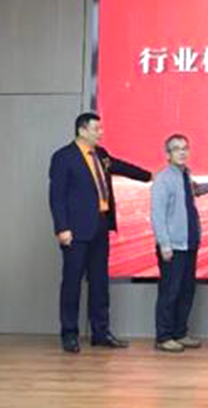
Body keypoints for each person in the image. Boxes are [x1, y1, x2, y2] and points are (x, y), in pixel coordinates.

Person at [48, 112, 152, 354]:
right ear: (82, 130)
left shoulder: (101, 154)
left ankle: (101, 333)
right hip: (75, 231)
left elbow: (120, 166)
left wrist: (149, 176)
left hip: (100, 226)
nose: (101, 133)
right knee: (72, 283)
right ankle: (69, 334)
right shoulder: (64, 157)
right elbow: (56, 196)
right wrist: (62, 228)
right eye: (97, 129)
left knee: (99, 283)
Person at [150, 134, 208, 353]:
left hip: (189, 242)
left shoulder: (185, 175)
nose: (182, 152)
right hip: (172, 246)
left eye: (185, 148)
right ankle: (163, 336)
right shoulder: (163, 179)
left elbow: (196, 191)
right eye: (176, 148)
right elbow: (157, 215)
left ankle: (180, 332)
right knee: (170, 292)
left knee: (186, 291)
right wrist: (164, 244)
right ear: (168, 154)